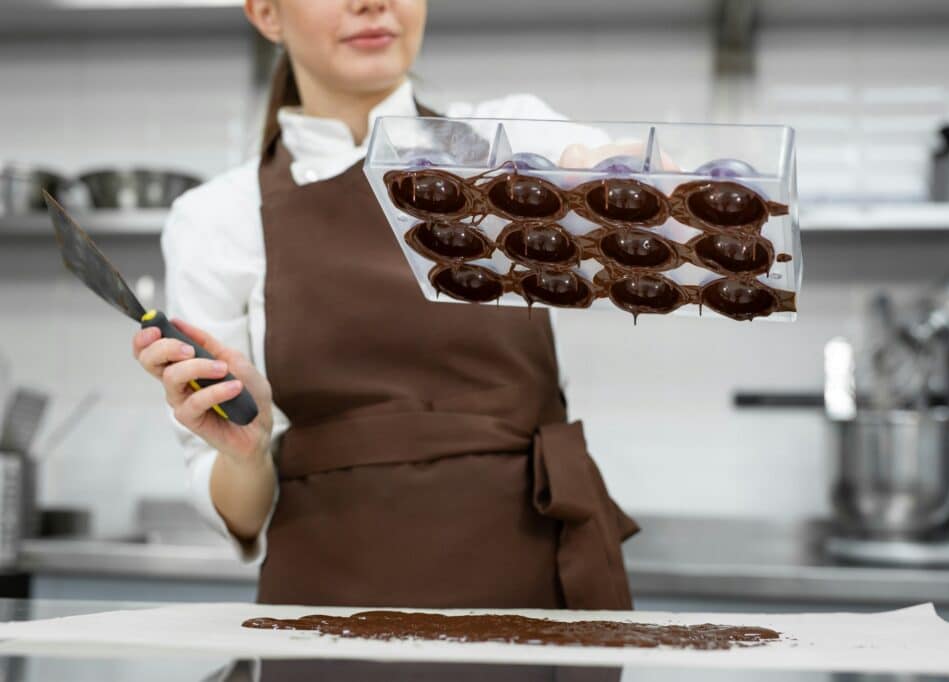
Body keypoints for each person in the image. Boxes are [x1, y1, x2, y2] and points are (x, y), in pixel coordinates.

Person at [132, 0, 637, 609]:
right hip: (331, 603)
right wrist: (248, 449)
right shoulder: (217, 218)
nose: (372, 3)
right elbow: (241, 514)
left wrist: (646, 182)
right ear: (266, 13)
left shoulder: (514, 143)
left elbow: (664, 210)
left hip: (529, 580)